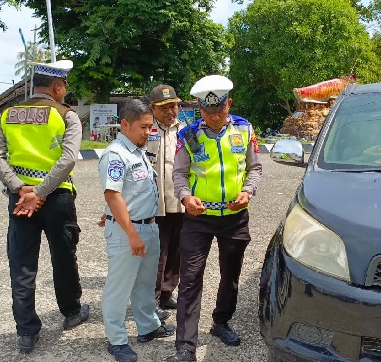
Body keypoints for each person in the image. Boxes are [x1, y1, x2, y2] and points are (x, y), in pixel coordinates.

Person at [0, 60, 89, 354]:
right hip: (57, 199)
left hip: (20, 201)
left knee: (22, 264)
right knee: (64, 257)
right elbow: (68, 158)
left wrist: (21, 189)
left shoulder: (8, 114)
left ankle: (26, 331)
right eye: (64, 87)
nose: (64, 92)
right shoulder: (67, 116)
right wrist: (41, 192)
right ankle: (71, 313)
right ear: (57, 87)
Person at [167, 75, 262, 362]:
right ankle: (185, 346)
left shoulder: (244, 129)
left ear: (228, 104)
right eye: (208, 113)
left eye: (219, 112)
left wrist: (248, 191)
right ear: (199, 108)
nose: (214, 118)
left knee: (230, 275)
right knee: (190, 279)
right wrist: (185, 197)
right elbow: (180, 173)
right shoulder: (190, 134)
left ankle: (221, 322)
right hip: (198, 218)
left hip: (234, 216)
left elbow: (254, 168)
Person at [99, 99, 176, 362]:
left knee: (144, 283)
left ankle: (148, 326)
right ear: (124, 124)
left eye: (149, 126)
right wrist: (131, 233)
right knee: (119, 288)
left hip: (148, 226)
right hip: (128, 232)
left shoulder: (137, 151)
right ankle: (116, 339)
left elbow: (129, 193)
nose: (148, 132)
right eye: (143, 127)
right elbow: (112, 195)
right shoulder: (116, 154)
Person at [146, 84, 186, 313]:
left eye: (174, 106)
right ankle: (152, 299)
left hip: (180, 202)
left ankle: (168, 293)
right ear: (152, 108)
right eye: (164, 108)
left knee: (177, 252)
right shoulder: (146, 128)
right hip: (155, 205)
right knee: (157, 255)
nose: (171, 111)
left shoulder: (186, 130)